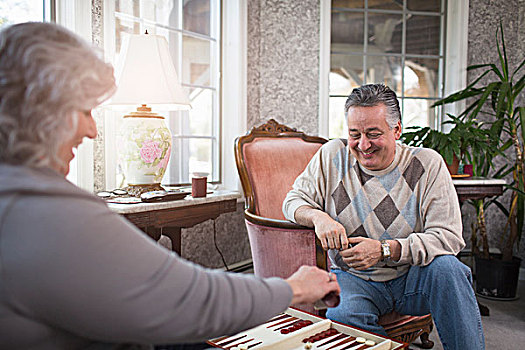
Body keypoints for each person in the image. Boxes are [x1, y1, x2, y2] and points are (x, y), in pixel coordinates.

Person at [0, 22, 340, 349]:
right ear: (43, 110)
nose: (92, 130)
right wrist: (292, 288)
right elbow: (191, 298)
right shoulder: (47, 211)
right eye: (84, 110)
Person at [283, 84, 485, 349]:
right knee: (343, 317)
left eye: (373, 134)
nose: (363, 145)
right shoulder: (332, 155)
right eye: (355, 134)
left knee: (450, 270)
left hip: (413, 276)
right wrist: (318, 217)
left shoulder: (427, 164)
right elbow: (292, 201)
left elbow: (448, 238)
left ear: (397, 130)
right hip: (354, 279)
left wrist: (385, 250)